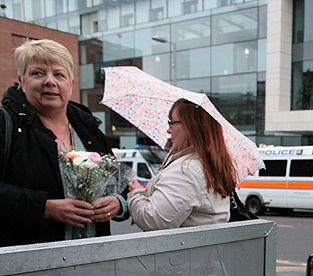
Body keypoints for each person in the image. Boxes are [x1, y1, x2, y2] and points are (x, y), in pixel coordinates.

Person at [0, 39, 125, 247]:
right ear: (22, 81)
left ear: (71, 83)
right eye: (38, 73)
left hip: (93, 262)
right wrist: (44, 208)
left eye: (59, 74)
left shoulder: (88, 129)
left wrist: (118, 204)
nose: (50, 81)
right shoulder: (7, 125)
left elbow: (120, 182)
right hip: (31, 267)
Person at [127, 98, 235, 230]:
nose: (168, 130)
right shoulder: (203, 163)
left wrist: (136, 192)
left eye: (172, 123)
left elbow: (153, 220)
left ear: (190, 127)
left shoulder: (186, 171)